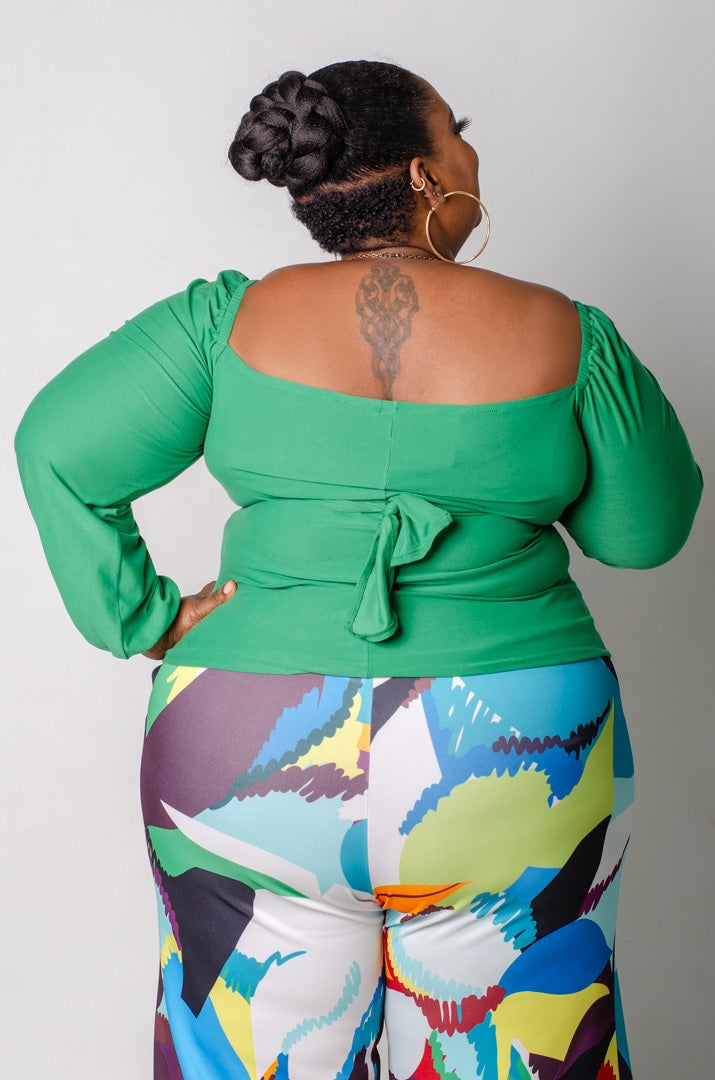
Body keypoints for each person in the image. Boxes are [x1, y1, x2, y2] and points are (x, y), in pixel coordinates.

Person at [15, 59, 702, 1080]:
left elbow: (57, 446)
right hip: (512, 746)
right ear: (427, 174)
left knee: (242, 1051)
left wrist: (144, 618)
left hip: (241, 743)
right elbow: (642, 533)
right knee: (525, 1045)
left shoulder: (222, 325)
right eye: (458, 130)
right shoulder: (568, 335)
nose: (472, 153)